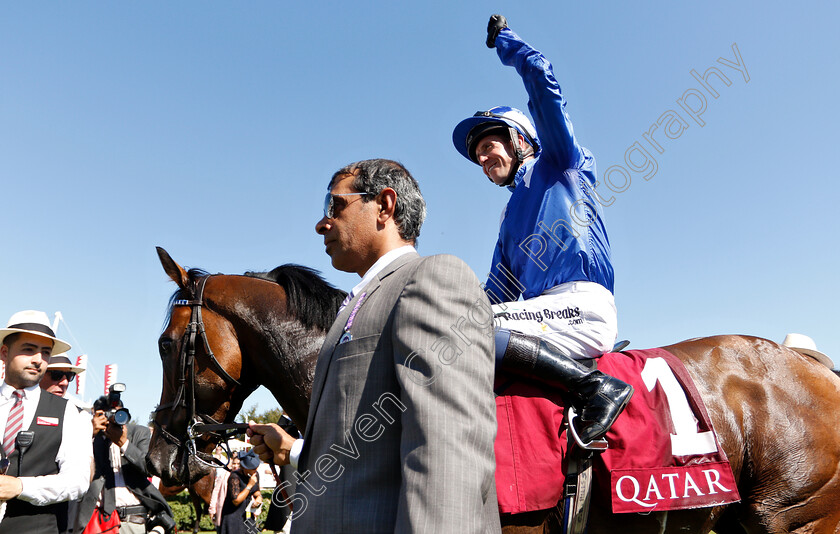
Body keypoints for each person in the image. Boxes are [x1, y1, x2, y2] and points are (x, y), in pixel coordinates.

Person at [249, 158, 500, 533]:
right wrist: (295, 450)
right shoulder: (361, 301)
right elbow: (369, 454)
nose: (322, 223)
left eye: (335, 206)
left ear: (385, 205)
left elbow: (447, 456)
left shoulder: (432, 278)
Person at [451, 15, 633, 445]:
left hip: (580, 306)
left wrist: (507, 44)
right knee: (454, 324)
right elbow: (496, 292)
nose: (482, 158)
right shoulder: (507, 216)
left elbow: (541, 77)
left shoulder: (559, 162)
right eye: (477, 154)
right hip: (539, 317)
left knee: (469, 330)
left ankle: (596, 388)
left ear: (520, 139)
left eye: (489, 145)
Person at [0, 310, 92, 534]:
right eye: (29, 349)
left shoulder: (69, 412)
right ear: (4, 352)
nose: (38, 360)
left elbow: (77, 481)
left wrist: (21, 487)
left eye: (45, 352)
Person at [75, 395, 174, 534]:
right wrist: (90, 434)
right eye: (108, 414)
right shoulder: (88, 435)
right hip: (99, 521)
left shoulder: (138, 432)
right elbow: (74, 466)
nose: (113, 419)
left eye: (118, 413)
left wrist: (124, 444)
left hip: (133, 519)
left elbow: (149, 469)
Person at [218, 451, 261, 534]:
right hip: (232, 518)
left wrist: (259, 498)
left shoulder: (255, 475)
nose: (255, 470)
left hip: (247, 517)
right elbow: (236, 501)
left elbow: (257, 492)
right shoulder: (234, 477)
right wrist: (249, 485)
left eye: (256, 467)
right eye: (253, 468)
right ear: (245, 468)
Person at [208, 452, 239, 532]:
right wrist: (212, 509)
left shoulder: (243, 477)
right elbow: (216, 491)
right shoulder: (224, 475)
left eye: (238, 464)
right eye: (234, 463)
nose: (235, 466)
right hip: (223, 510)